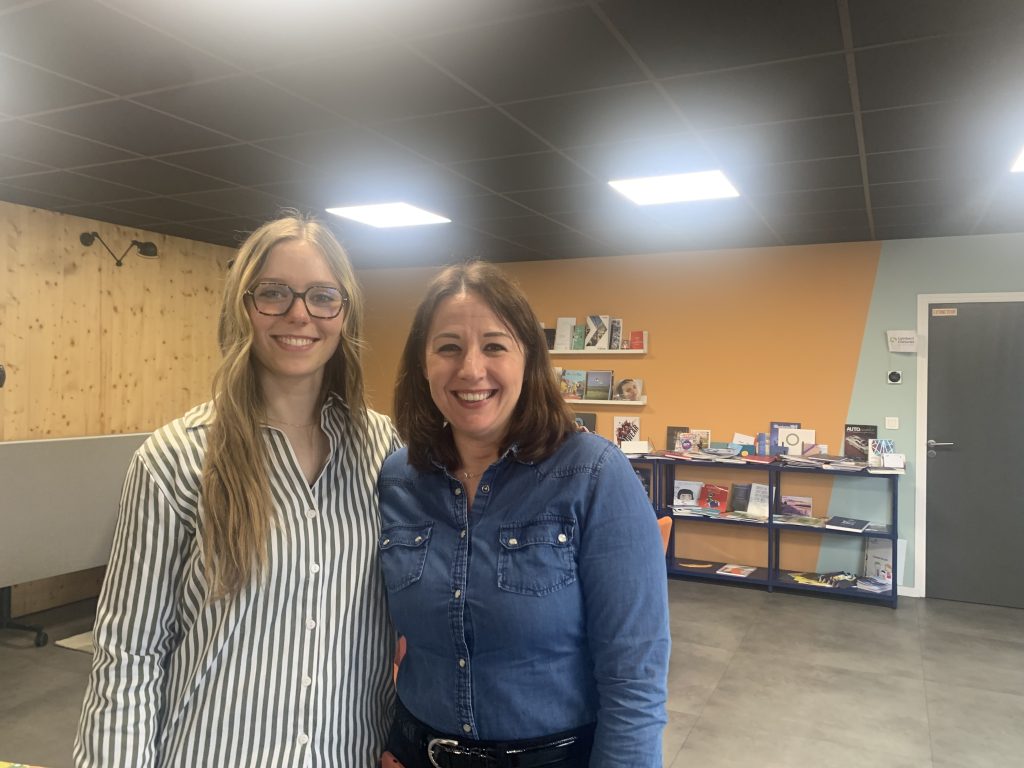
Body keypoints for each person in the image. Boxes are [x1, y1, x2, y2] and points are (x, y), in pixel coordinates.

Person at [75, 214, 400, 767]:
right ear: (242, 306)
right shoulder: (175, 459)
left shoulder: (382, 450)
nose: (299, 313)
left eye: (323, 296)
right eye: (273, 293)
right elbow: (128, 654)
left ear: (345, 315)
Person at [378, 261, 670, 767]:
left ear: (528, 359)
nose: (471, 369)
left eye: (494, 346)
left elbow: (635, 681)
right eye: (448, 347)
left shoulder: (594, 474)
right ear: (422, 364)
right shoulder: (398, 478)